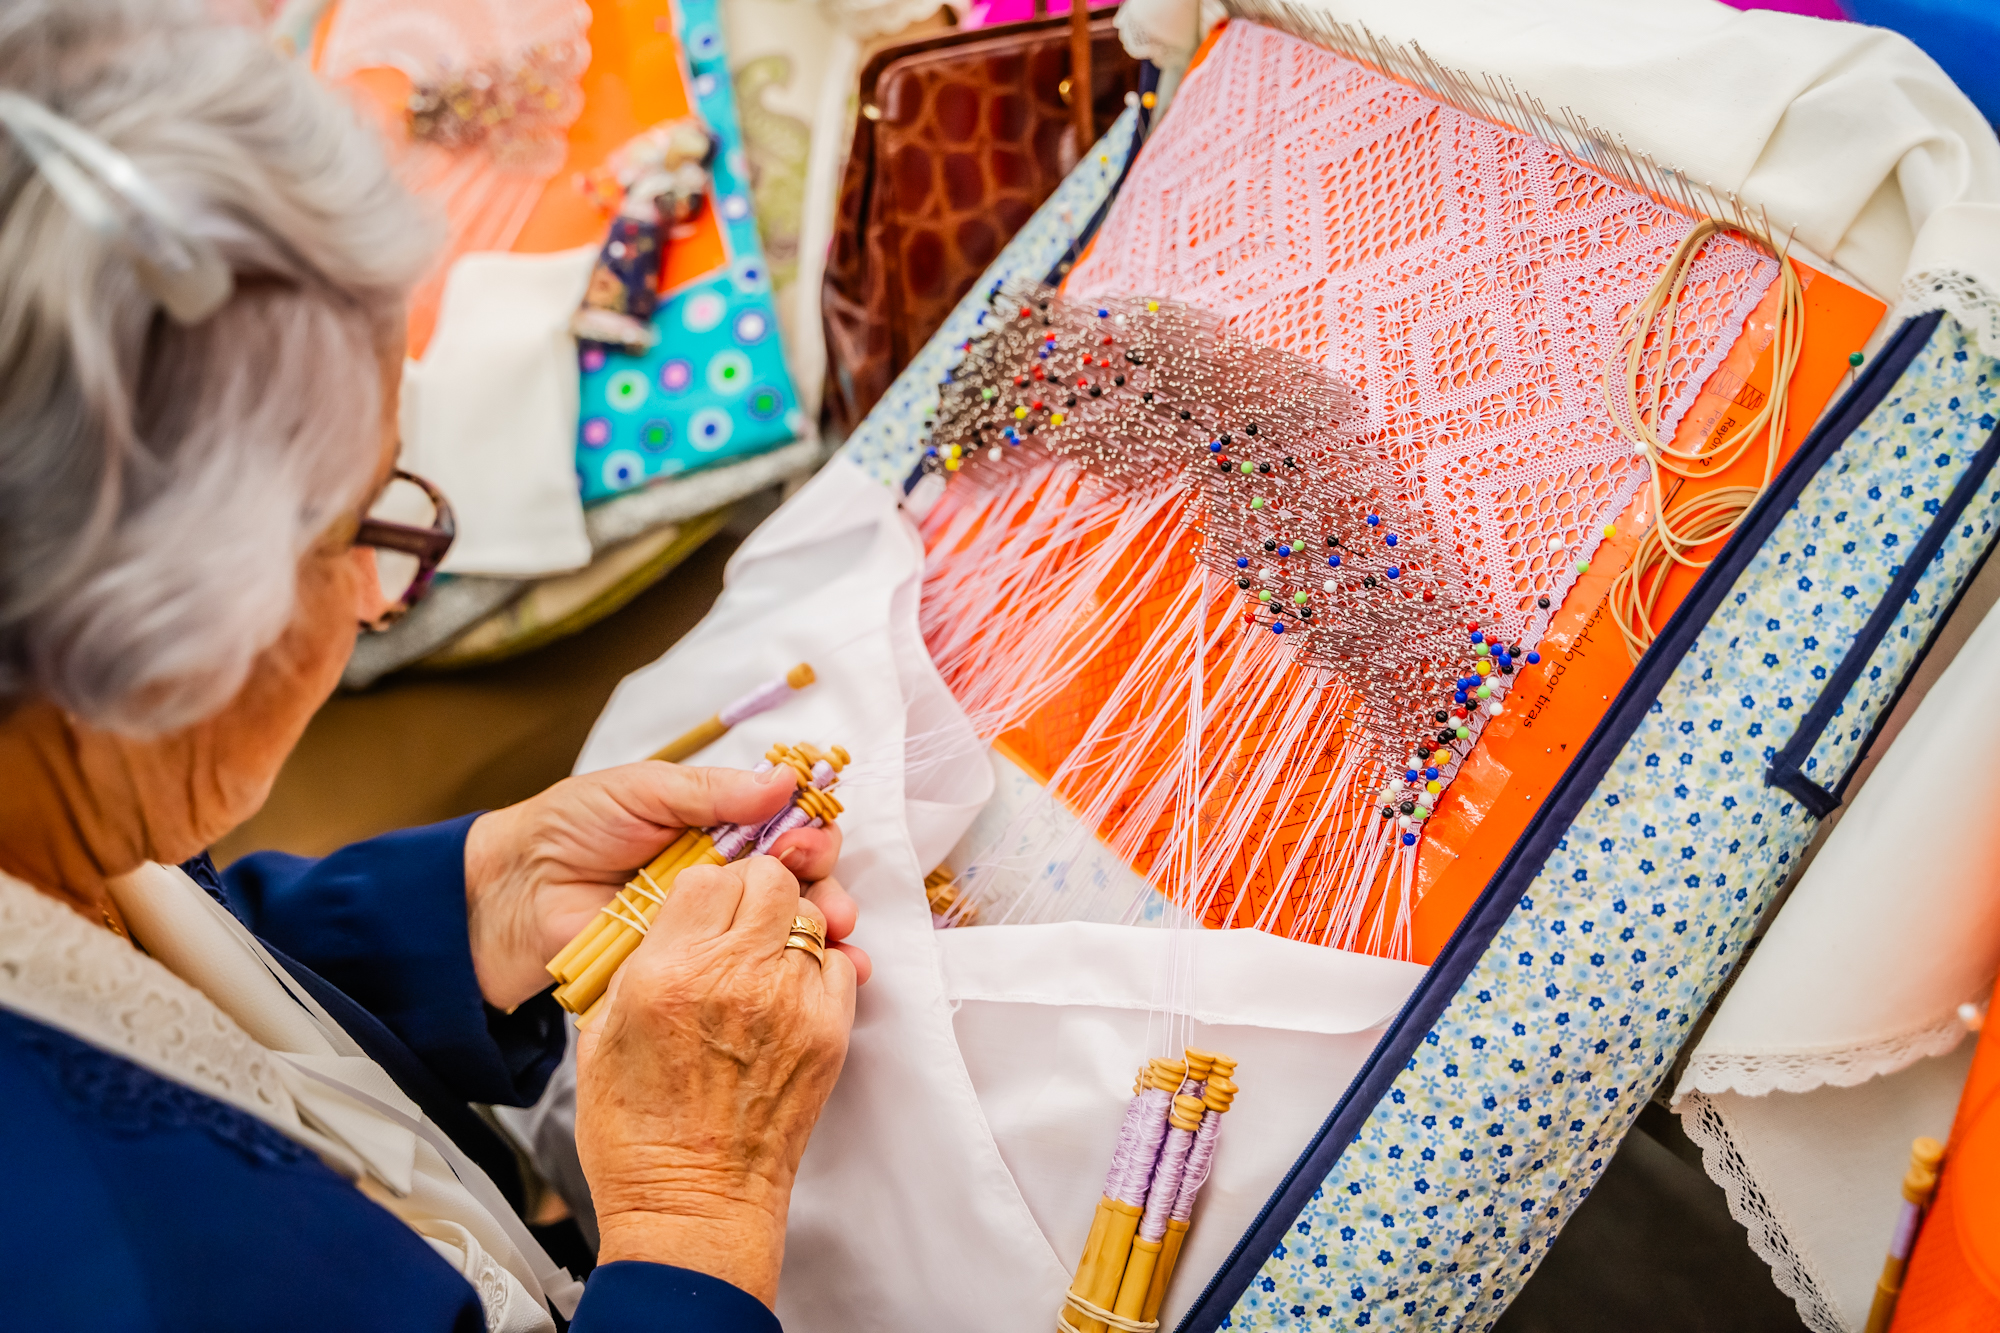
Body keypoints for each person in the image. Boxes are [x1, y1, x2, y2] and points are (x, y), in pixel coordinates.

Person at [0, 2, 870, 1328]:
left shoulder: (47, 785)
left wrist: (469, 912)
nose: (378, 605)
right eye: (363, 529)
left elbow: (152, 983)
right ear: (149, 638)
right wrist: (692, 1214)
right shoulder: (95, 1270)